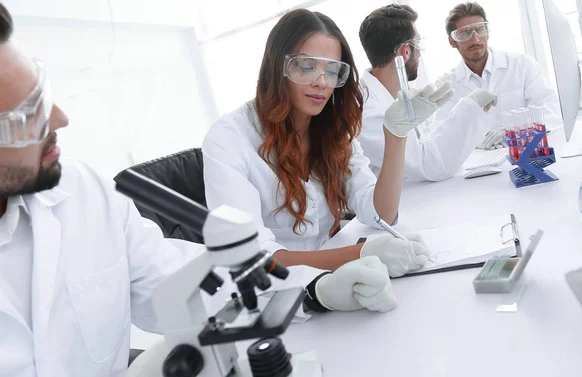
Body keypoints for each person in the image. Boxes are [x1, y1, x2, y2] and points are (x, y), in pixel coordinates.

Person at [0, 5, 399, 376]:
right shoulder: (233, 137)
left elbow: (184, 281)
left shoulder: (84, 193)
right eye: (25, 114)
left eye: (44, 95)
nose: (61, 118)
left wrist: (314, 291)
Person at [202, 9, 442, 277]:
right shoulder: (229, 138)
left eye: (332, 71)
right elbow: (252, 258)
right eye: (306, 67)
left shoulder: (332, 129)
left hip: (338, 279)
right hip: (280, 296)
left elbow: (380, 213)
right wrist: (360, 254)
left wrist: (396, 136)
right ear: (276, 65)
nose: (321, 83)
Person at [358, 4, 499, 181]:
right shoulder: (370, 112)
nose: (421, 53)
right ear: (405, 51)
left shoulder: (384, 97)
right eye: (418, 43)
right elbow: (430, 166)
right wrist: (470, 106)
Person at [435, 2, 562, 149]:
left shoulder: (522, 65)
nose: (475, 39)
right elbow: (441, 135)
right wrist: (474, 141)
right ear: (452, 41)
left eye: (480, 30)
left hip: (525, 154)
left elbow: (551, 113)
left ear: (487, 32)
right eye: (464, 33)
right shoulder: (446, 85)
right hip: (478, 164)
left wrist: (513, 133)